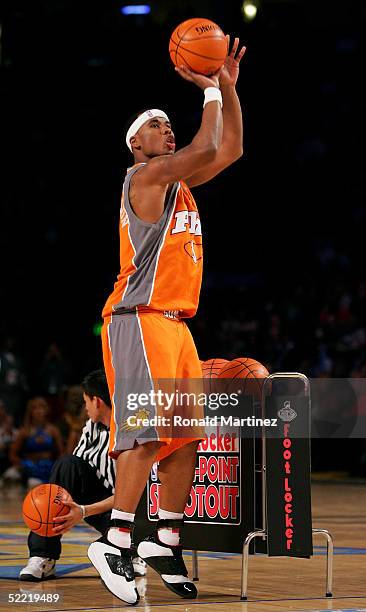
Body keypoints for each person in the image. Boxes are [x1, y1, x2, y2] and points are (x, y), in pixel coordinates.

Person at [88, 38, 246, 604]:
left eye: (167, 124)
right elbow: (207, 139)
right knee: (146, 433)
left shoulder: (178, 183)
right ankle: (116, 540)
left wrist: (226, 85)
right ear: (135, 144)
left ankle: (165, 539)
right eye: (157, 125)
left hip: (175, 323)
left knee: (184, 440)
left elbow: (227, 150)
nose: (167, 129)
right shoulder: (144, 180)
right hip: (138, 318)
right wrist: (206, 89)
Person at [19, 370, 146, 581]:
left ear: (96, 401)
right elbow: (74, 471)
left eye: (86, 401)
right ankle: (43, 554)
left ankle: (133, 554)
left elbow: (134, 494)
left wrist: (84, 511)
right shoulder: (92, 427)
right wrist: (57, 507)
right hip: (104, 506)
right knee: (67, 464)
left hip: (134, 513)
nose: (85, 408)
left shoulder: (134, 431)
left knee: (134, 519)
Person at [9, 396, 64, 488]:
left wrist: (58, 467)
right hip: (30, 468)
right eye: (35, 408)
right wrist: (22, 465)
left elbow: (62, 453)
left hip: (49, 467)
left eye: (42, 407)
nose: (39, 411)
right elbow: (12, 454)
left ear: (47, 410)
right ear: (30, 412)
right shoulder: (24, 431)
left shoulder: (53, 430)